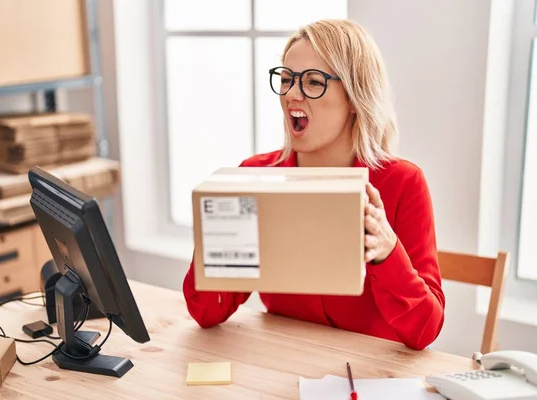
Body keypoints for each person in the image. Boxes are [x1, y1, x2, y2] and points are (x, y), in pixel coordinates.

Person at [182, 19, 444, 350]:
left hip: (371, 378)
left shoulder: (402, 183)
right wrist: (215, 240)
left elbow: (424, 331)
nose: (292, 93)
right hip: (285, 369)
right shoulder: (255, 176)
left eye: (313, 82)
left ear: (353, 96)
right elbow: (206, 312)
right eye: (288, 79)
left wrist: (388, 251)